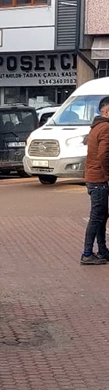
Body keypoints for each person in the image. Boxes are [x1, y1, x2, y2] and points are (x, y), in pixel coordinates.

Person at [80, 96, 109, 265]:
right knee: (97, 217)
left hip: (93, 177)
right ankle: (87, 253)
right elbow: (104, 155)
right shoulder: (105, 127)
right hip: (99, 179)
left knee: (101, 215)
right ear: (106, 111)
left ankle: (102, 250)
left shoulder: (96, 126)